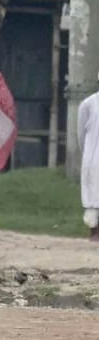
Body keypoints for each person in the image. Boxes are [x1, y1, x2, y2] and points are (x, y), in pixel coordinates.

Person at [79, 76, 99, 241]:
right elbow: (81, 133)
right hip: (94, 157)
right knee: (93, 196)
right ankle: (94, 232)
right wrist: (86, 152)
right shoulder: (88, 104)